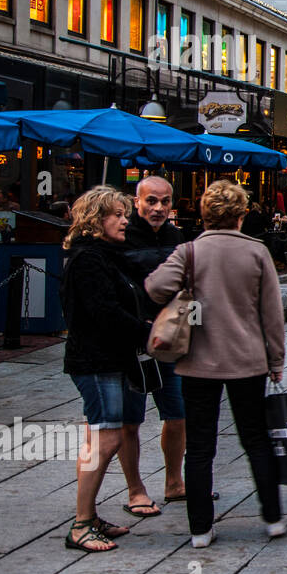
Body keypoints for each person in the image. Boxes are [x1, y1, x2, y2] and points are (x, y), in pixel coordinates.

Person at [146, 181, 286, 548]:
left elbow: (154, 287)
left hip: (198, 363)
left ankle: (200, 529)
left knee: (202, 446)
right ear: (241, 215)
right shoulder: (257, 253)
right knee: (256, 439)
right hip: (247, 361)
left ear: (205, 214)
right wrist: (276, 360)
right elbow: (271, 313)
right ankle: (272, 517)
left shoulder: (189, 252)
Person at [59, 187, 155, 551]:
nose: (125, 219)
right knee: (106, 438)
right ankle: (81, 524)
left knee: (101, 437)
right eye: (117, 213)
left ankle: (90, 516)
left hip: (110, 359)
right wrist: (148, 332)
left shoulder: (107, 255)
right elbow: (104, 313)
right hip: (95, 360)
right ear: (97, 218)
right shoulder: (88, 259)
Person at [120, 175, 189, 508]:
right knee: (129, 419)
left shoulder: (177, 236)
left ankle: (174, 481)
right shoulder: (122, 235)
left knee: (176, 415)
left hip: (170, 340)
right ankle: (135, 489)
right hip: (132, 341)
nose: (159, 208)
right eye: (151, 200)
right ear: (137, 201)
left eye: (165, 201)